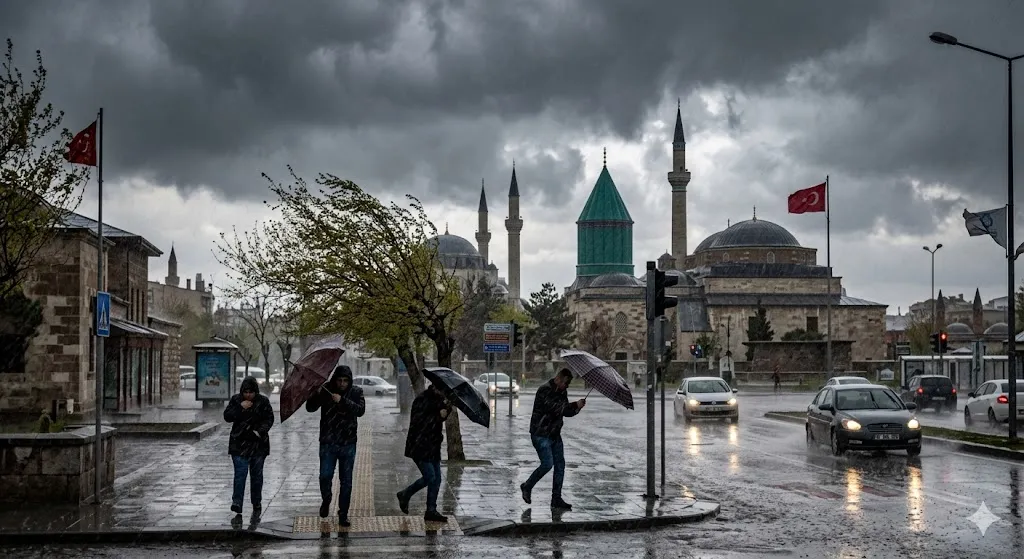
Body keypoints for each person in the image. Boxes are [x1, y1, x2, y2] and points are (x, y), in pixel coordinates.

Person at [306, 365, 365, 526]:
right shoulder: (325, 390)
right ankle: (326, 499)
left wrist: (342, 400)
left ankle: (343, 513)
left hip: (348, 443)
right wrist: (315, 394)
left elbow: (360, 410)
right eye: (339, 380)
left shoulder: (356, 392)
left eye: (345, 381)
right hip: (328, 442)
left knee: (346, 481)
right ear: (335, 380)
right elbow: (310, 408)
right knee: (325, 476)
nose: (342, 384)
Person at [520, 368, 585, 509]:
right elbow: (555, 408)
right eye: (565, 384)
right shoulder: (544, 390)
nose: (566, 387)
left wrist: (577, 408)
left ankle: (556, 499)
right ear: (558, 379)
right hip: (541, 434)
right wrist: (574, 405)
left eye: (567, 385)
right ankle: (527, 486)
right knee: (547, 464)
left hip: (555, 435)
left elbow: (565, 411)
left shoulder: (562, 392)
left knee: (560, 465)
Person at [396, 383, 453, 523]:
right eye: (441, 389)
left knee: (437, 479)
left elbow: (438, 420)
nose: (442, 393)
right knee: (430, 477)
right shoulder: (422, 399)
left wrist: (446, 411)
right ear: (434, 387)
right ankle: (405, 494)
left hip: (433, 446)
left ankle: (431, 511)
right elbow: (420, 423)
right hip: (419, 445)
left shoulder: (441, 401)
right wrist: (438, 416)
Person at [223, 376, 275, 516]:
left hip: (258, 445)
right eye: (245, 392)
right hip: (239, 444)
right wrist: (240, 408)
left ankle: (256, 502)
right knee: (240, 474)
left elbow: (269, 418)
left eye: (251, 392)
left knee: (256, 476)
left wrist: (260, 431)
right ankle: (237, 502)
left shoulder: (263, 402)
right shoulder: (236, 400)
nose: (248, 395)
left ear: (255, 392)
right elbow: (227, 416)